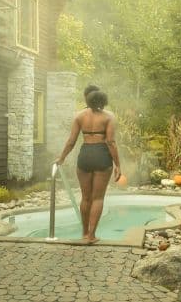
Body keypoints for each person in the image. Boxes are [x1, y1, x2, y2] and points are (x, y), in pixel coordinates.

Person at [55, 84, 121, 243]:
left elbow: (71, 141)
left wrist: (61, 158)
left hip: (85, 155)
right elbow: (111, 142)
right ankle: (92, 236)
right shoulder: (108, 117)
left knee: (85, 198)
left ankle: (84, 233)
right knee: (97, 198)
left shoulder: (79, 116)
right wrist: (118, 165)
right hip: (101, 155)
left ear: (88, 99)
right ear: (103, 100)